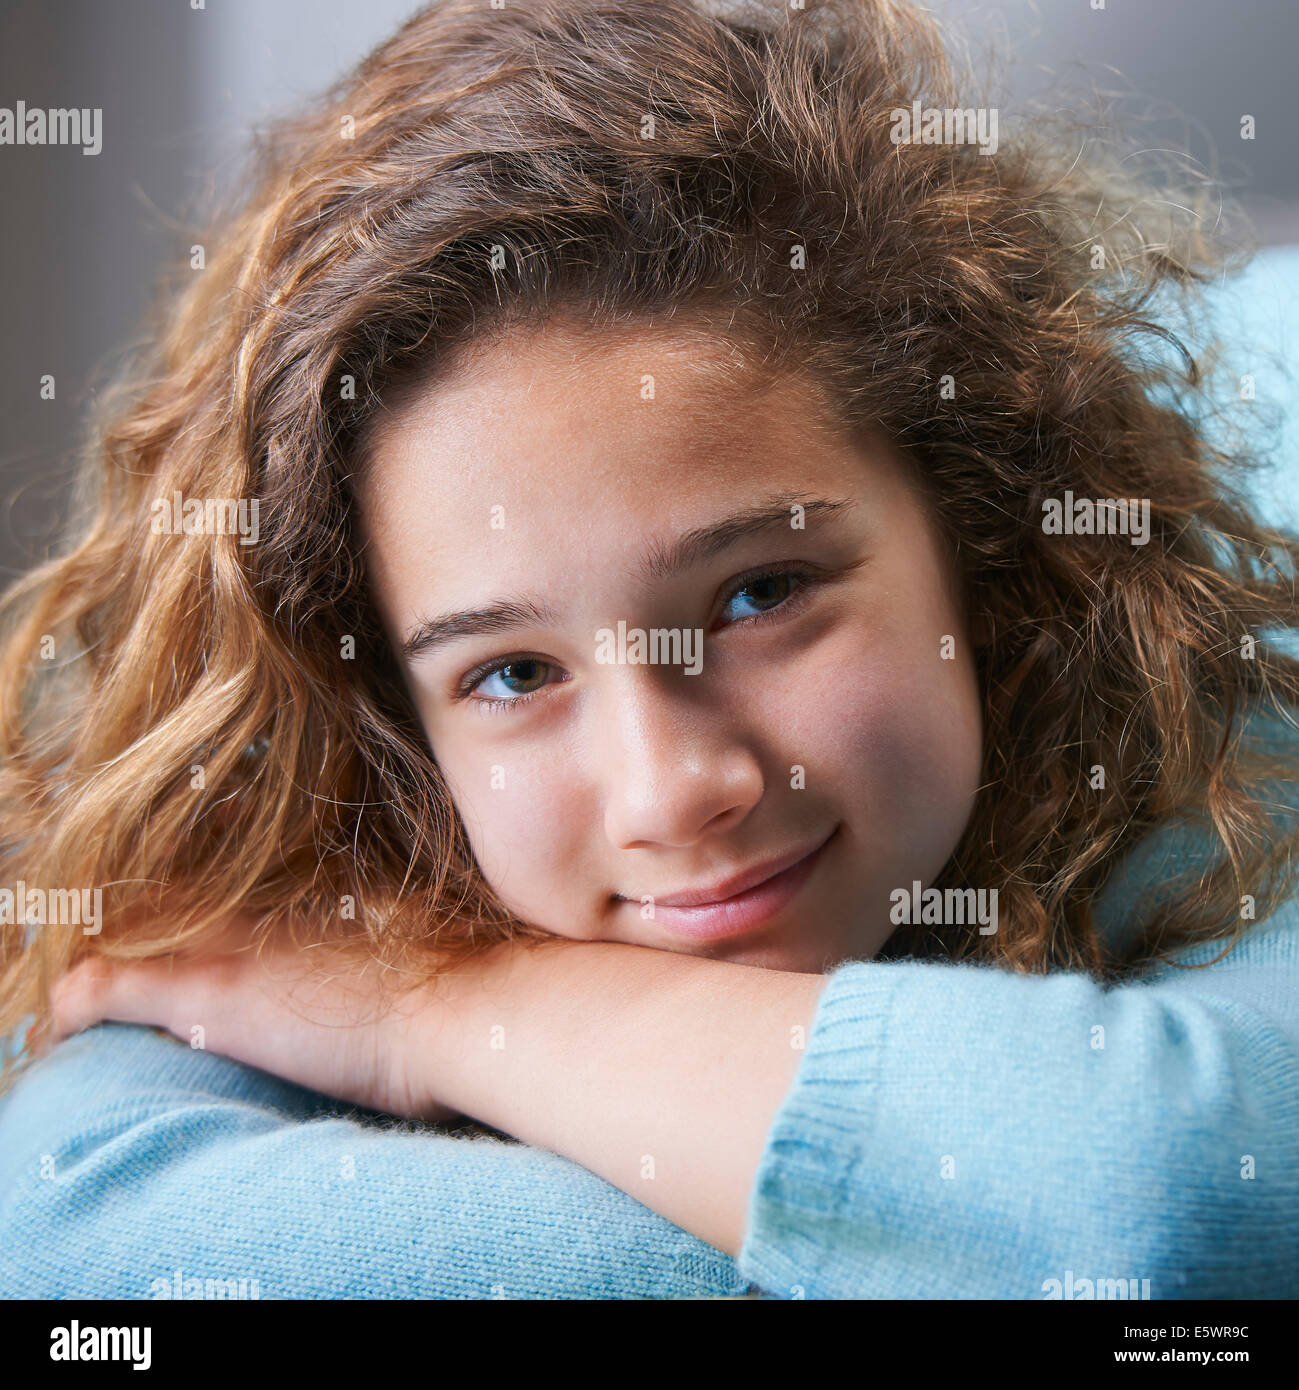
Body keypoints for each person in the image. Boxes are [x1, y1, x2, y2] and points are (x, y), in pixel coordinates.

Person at [2, 0, 1298, 1299]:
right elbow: (66, 1236)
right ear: (390, 716)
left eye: (760, 594)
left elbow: (1178, 1198)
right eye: (511, 672)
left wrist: (443, 1005)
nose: (672, 786)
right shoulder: (308, 882)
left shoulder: (1226, 756)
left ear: (980, 529)